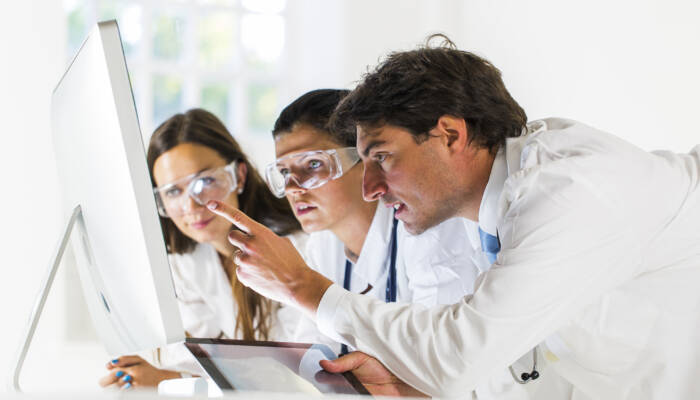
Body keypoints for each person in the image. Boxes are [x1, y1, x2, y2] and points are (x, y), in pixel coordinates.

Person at [205, 35, 700, 399]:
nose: (371, 188)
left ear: (449, 134)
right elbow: (509, 357)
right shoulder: (502, 205)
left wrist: (302, 286)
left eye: (381, 157)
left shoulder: (568, 191)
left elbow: (461, 350)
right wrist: (414, 388)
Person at [98, 108, 304, 389]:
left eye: (205, 181)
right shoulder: (190, 260)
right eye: (173, 192)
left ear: (239, 176)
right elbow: (185, 355)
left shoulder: (296, 247)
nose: (191, 206)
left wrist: (174, 379)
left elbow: (296, 373)